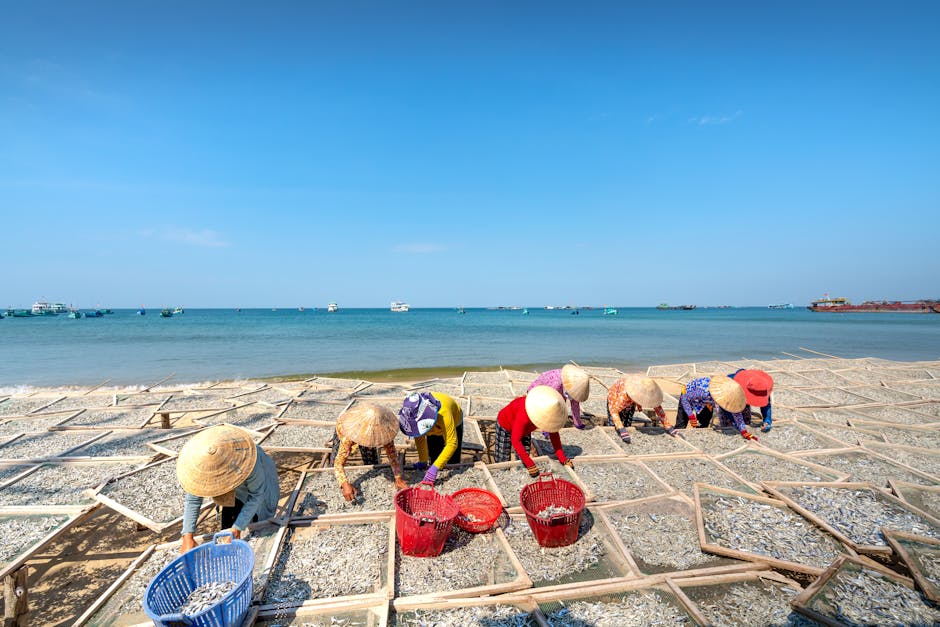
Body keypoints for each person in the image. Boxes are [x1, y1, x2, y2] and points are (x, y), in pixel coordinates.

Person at [177, 425, 279, 553]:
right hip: (234, 491)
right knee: (228, 519)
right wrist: (187, 536)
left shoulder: (248, 460)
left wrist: (237, 528)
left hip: (260, 478)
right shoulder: (198, 461)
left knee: (258, 519)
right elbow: (193, 500)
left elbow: (257, 494)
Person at [334, 402, 408, 501]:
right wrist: (344, 483)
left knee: (371, 459)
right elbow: (338, 463)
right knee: (337, 460)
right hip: (347, 427)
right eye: (368, 441)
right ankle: (338, 480)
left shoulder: (384, 429)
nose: (369, 445)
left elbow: (392, 455)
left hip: (369, 427)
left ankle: (371, 465)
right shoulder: (348, 433)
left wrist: (398, 477)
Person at [495, 386, 573, 476]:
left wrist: (562, 458)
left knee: (523, 456)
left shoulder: (547, 414)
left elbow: (554, 435)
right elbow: (515, 440)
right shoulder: (524, 414)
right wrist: (530, 464)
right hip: (505, 424)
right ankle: (503, 474)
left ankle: (520, 472)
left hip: (525, 429)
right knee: (503, 458)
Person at [398, 391, 463, 484]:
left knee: (453, 461)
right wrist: (423, 460)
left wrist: (435, 468)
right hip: (434, 427)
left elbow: (452, 443)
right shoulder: (415, 412)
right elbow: (419, 437)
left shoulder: (444, 413)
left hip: (454, 418)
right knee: (434, 455)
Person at [674, 375, 757, 441]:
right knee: (682, 422)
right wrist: (691, 416)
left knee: (703, 422)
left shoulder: (727, 396)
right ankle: (677, 438)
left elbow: (736, 413)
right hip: (689, 393)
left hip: (707, 402)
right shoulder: (704, 392)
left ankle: (698, 437)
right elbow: (685, 398)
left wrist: (743, 431)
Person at [606, 375, 680, 443]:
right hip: (615, 396)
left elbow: (658, 408)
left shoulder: (643, 390)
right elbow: (614, 410)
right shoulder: (624, 395)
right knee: (614, 425)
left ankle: (624, 431)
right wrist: (621, 428)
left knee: (627, 423)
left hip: (629, 400)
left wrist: (668, 426)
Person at [527, 364, 590, 429]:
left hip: (562, 387)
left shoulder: (576, 386)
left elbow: (575, 405)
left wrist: (578, 423)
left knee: (565, 403)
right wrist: (546, 428)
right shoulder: (556, 383)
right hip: (538, 391)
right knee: (549, 407)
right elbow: (548, 404)